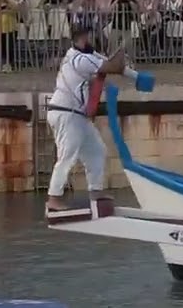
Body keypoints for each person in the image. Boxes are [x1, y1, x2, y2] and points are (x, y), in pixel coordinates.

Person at [45, 25, 139, 212]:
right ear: (81, 38)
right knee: (67, 157)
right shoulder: (80, 59)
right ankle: (53, 199)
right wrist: (122, 52)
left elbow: (105, 68)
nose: (91, 40)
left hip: (77, 115)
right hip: (66, 112)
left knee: (97, 150)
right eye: (88, 37)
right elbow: (112, 67)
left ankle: (95, 192)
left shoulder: (83, 56)